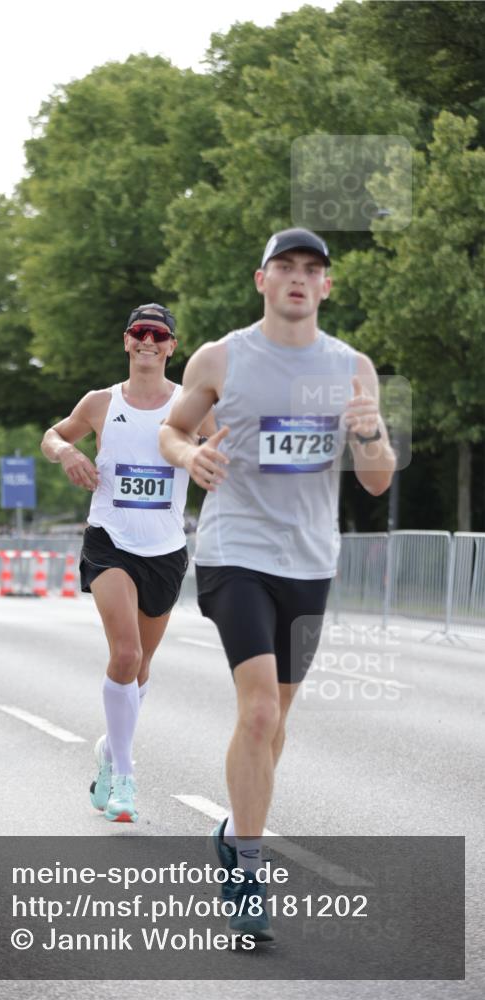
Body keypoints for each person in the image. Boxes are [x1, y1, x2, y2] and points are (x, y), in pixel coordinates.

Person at [159, 228, 396, 938]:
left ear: (326, 286)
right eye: (284, 267)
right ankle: (247, 867)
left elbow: (378, 478)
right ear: (260, 280)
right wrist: (189, 456)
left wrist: (369, 431)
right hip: (236, 549)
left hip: (309, 560)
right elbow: (171, 431)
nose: (298, 279)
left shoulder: (351, 367)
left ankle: (235, 825)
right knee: (258, 712)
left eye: (311, 270)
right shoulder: (221, 357)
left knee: (275, 719)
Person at [42, 304, 213, 823]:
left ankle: (109, 748)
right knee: (125, 654)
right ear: (126, 341)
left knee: (139, 670)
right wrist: (66, 453)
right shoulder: (100, 402)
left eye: (157, 334)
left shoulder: (192, 406)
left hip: (165, 548)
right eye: (139, 332)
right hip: (109, 541)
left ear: (170, 346)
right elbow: (53, 435)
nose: (147, 340)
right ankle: (125, 775)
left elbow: (231, 447)